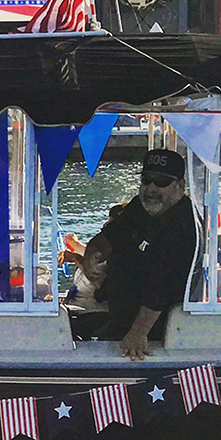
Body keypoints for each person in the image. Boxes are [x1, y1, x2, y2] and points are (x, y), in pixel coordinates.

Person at [82, 149, 198, 360]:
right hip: (120, 315)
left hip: (160, 332)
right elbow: (111, 235)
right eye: (146, 180)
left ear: (180, 186)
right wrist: (93, 253)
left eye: (161, 182)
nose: (151, 188)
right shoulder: (140, 207)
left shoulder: (184, 224)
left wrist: (138, 333)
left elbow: (164, 285)